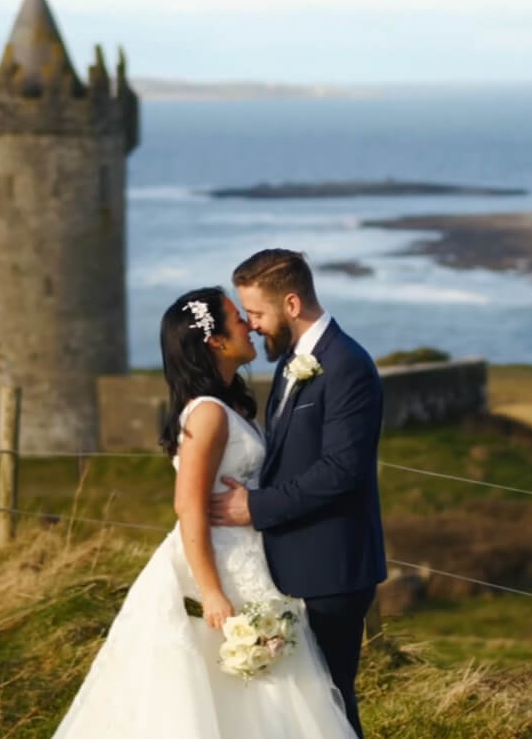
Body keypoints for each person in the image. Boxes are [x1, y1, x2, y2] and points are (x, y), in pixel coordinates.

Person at [52, 285, 357, 739]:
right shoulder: (208, 415)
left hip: (250, 557)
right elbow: (187, 505)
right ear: (215, 341)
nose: (250, 325)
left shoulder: (229, 404)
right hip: (221, 566)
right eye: (238, 319)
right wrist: (211, 592)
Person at [209, 249, 387, 738]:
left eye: (258, 314)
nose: (253, 325)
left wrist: (254, 507)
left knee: (329, 699)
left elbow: (341, 471)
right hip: (295, 563)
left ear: (290, 303)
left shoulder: (347, 364)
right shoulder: (294, 360)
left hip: (333, 568)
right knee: (304, 703)